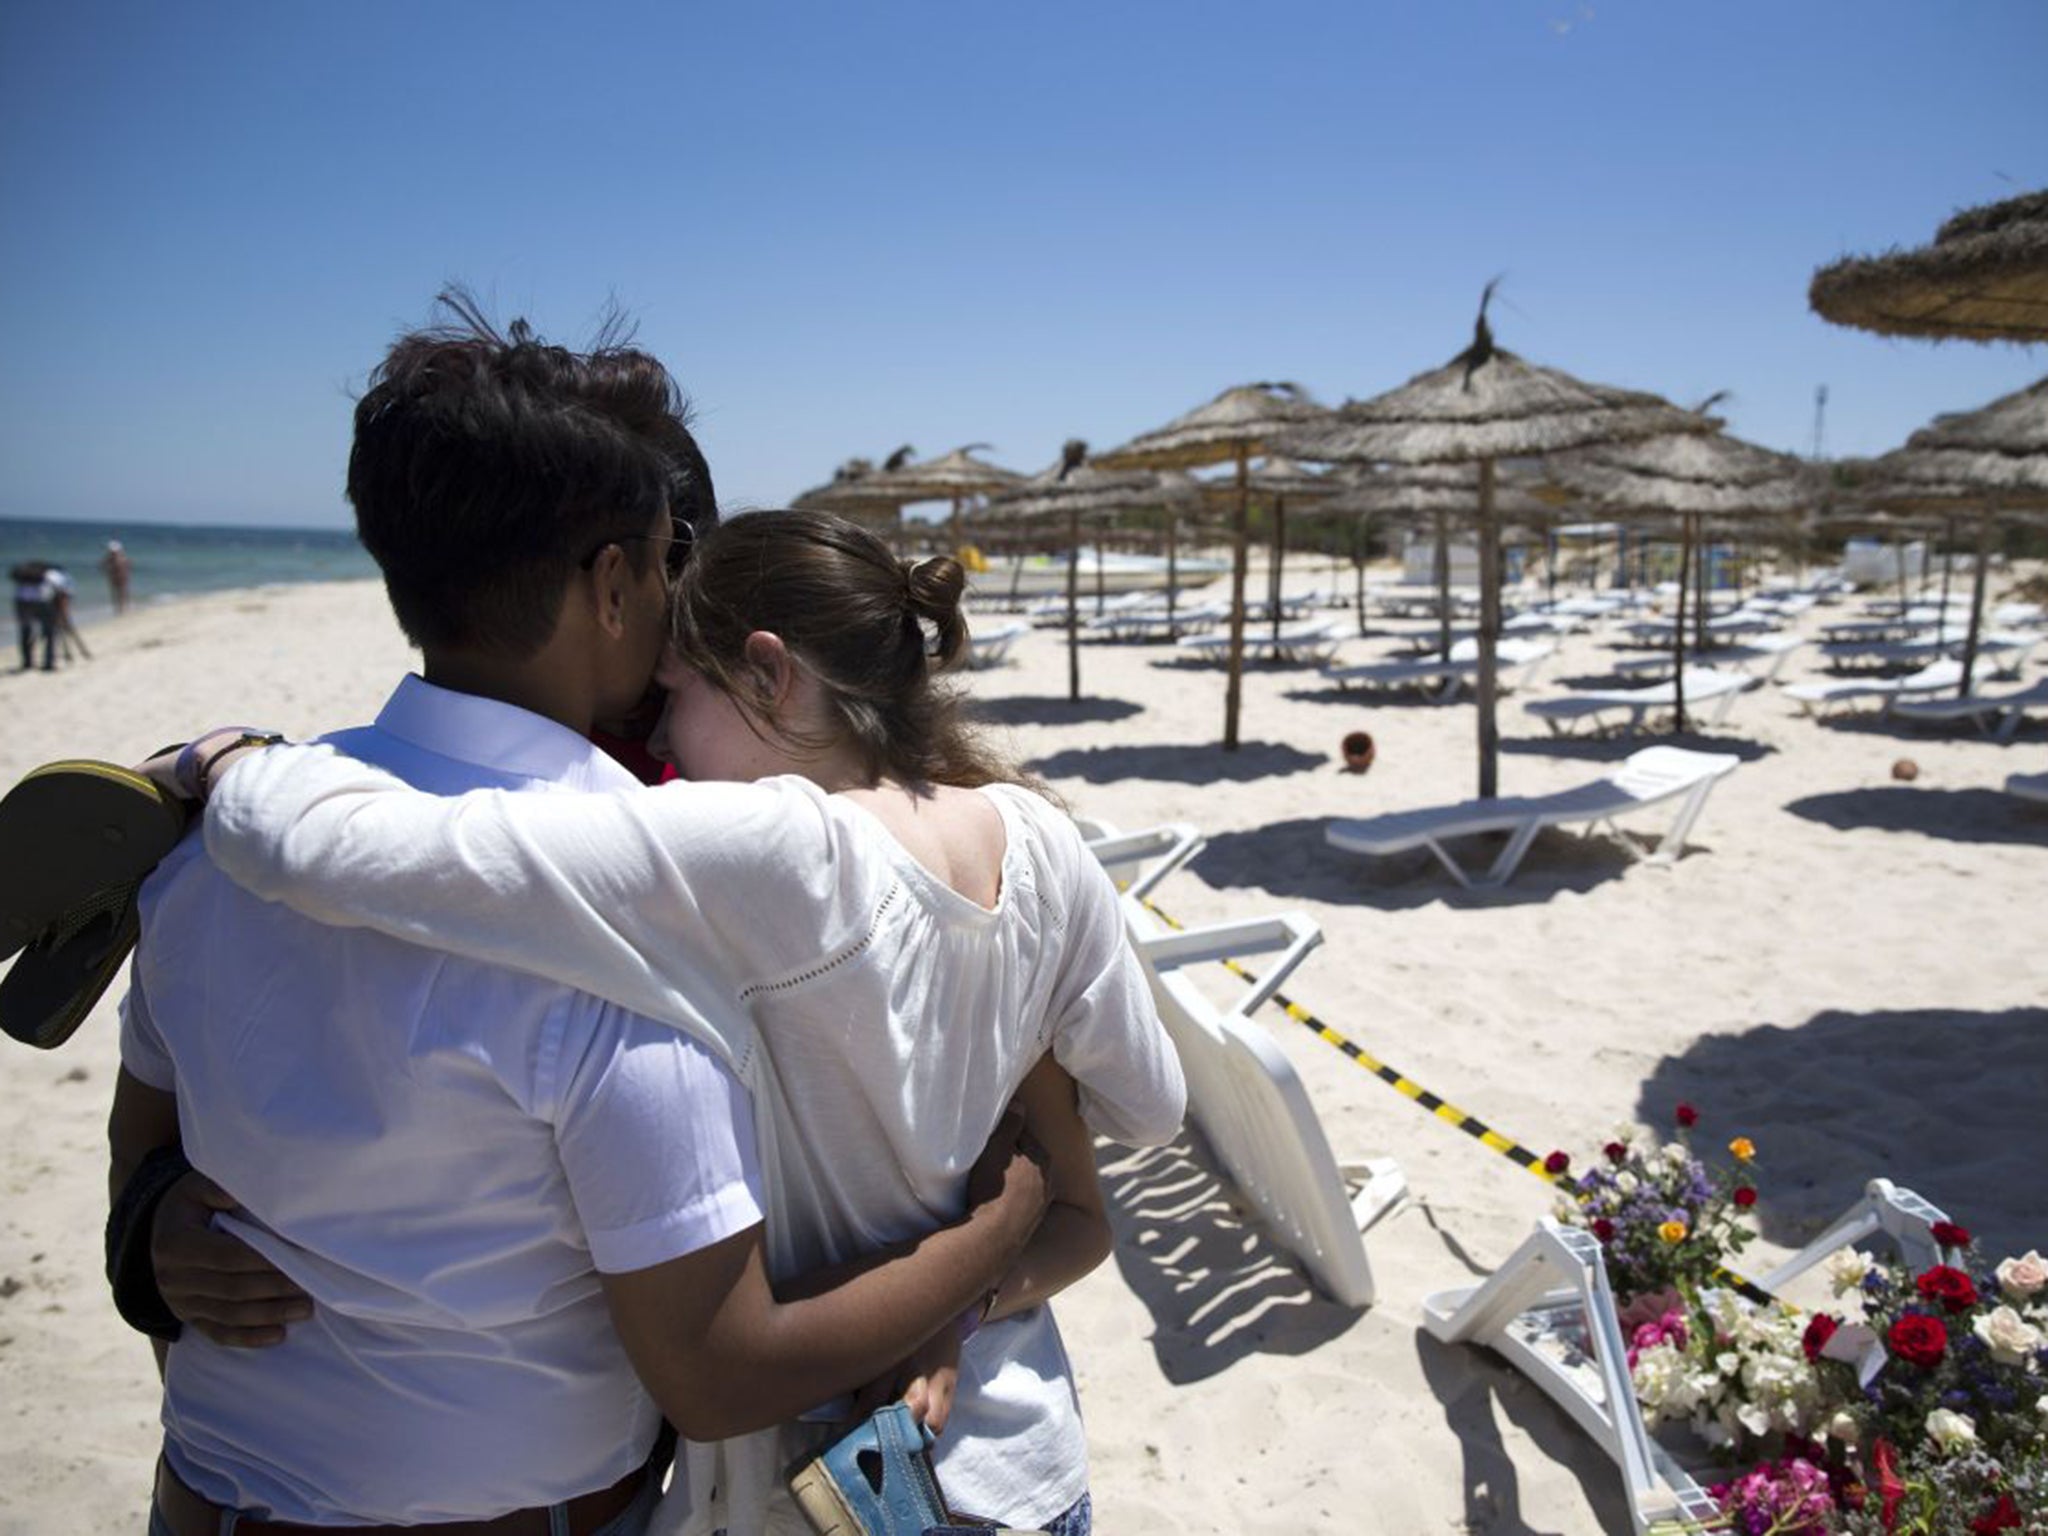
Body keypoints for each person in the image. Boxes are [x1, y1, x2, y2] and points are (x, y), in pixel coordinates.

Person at [108, 299, 1053, 1536]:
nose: (681, 599)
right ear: (614, 585)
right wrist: (1008, 1220)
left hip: (201, 1501)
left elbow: (142, 1138)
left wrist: (149, 1226)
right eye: (669, 561)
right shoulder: (641, 924)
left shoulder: (211, 860)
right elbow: (714, 1371)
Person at [175, 507, 1187, 1535]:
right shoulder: (1036, 836)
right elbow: (1151, 1109)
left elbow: (383, 854)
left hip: (824, 1492)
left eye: (676, 691)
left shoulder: (781, 855)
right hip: (1029, 1470)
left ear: (767, 673)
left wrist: (225, 765)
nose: (657, 734)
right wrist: (987, 1209)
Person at [12, 560, 57, 671]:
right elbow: (58, 589)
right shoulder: (49, 575)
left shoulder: (22, 579)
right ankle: (48, 662)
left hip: (22, 603)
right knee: (49, 633)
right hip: (42, 603)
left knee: (25, 633)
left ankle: (27, 662)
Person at [102, 538, 133, 613]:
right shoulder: (114, 558)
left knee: (122, 593)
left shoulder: (120, 558)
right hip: (117, 577)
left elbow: (128, 565)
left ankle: (123, 608)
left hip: (121, 577)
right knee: (118, 593)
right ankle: (120, 608)